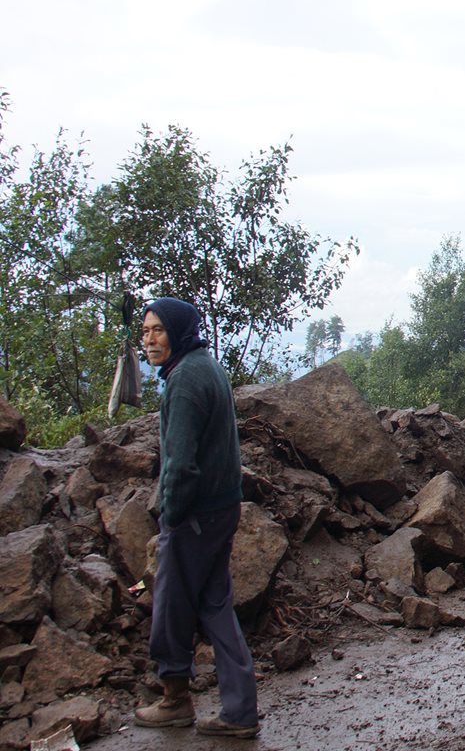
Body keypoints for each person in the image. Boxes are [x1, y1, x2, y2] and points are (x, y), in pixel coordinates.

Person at [132, 297, 260, 739]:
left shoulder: (185, 381)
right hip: (222, 507)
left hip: (196, 515)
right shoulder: (207, 365)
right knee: (215, 605)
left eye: (158, 331)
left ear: (179, 332)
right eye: (146, 332)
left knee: (170, 604)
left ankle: (174, 700)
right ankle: (240, 710)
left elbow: (180, 464)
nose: (149, 340)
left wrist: (171, 514)